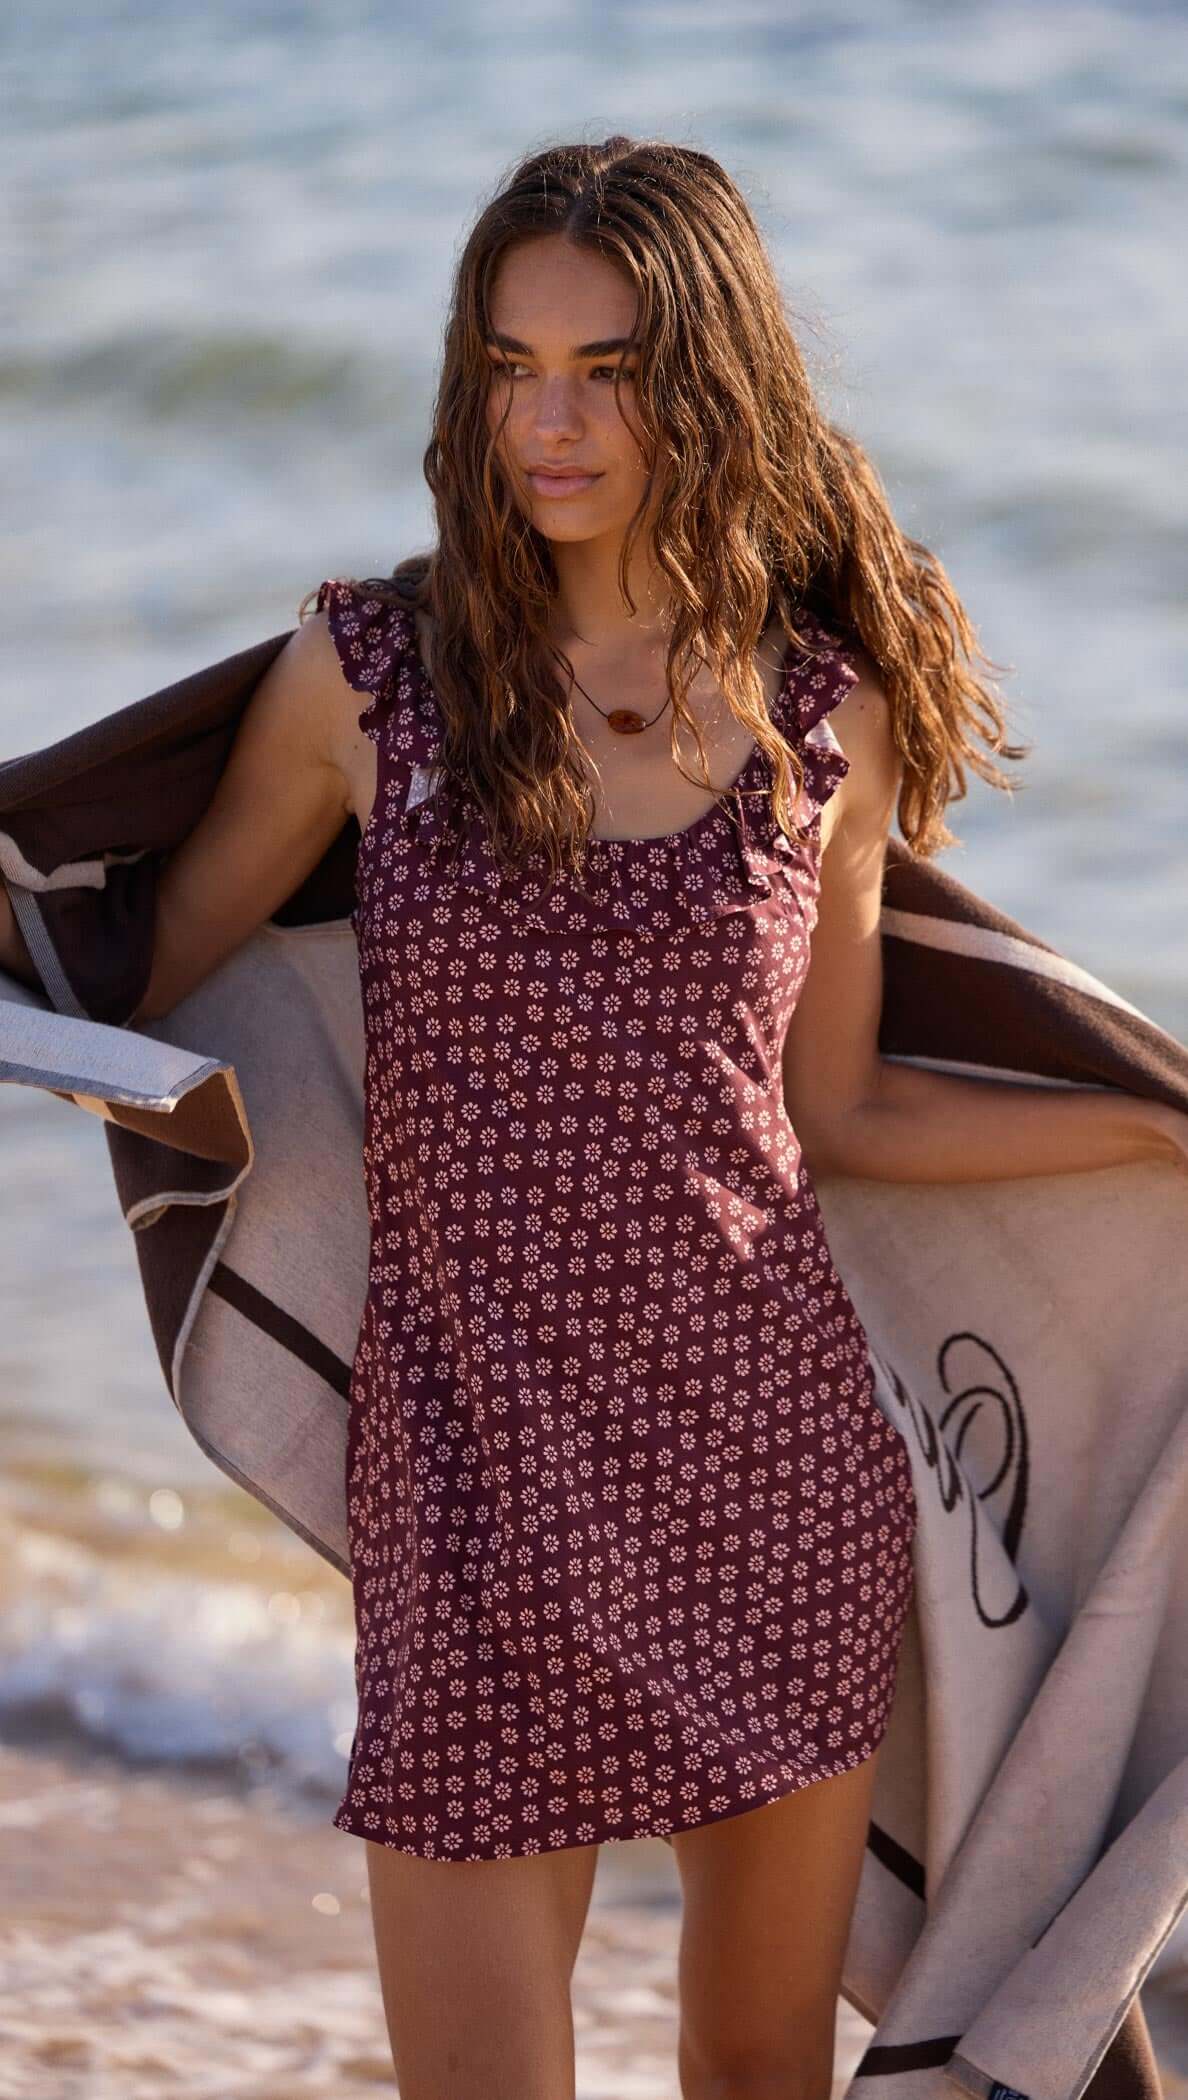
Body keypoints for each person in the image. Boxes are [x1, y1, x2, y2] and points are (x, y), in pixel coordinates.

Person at [3, 134, 1186, 2100]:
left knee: (750, 2075)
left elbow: (839, 1111)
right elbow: (153, 967)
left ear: (705, 379)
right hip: (466, 1489)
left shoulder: (822, 721)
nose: (548, 421)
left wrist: (1160, 1140)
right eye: (509, 362)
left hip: (769, 1480)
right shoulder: (369, 679)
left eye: (608, 369)